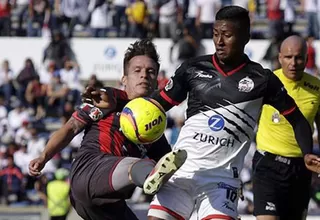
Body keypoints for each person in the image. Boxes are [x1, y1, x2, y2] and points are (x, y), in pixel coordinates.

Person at [111, 6, 319, 220]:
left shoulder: (262, 79)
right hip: (181, 171)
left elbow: (297, 120)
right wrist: (115, 100)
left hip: (222, 181)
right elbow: (153, 107)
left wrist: (306, 153)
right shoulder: (192, 69)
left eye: (227, 35)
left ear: (245, 37)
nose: (219, 41)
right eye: (216, 34)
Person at [29, 39, 187, 220]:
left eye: (150, 72)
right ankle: (148, 175)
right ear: (124, 79)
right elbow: (71, 127)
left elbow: (170, 163)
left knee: (166, 172)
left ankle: (151, 177)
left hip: (109, 202)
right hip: (88, 172)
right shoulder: (109, 99)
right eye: (137, 71)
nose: (144, 75)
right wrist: (44, 156)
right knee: (143, 167)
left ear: (157, 79)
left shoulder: (155, 129)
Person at [252, 35, 320, 220]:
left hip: (301, 168)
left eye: (299, 57)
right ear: (280, 57)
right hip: (268, 166)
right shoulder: (267, 82)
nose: (293, 63)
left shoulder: (316, 88)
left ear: (307, 59)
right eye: (288, 57)